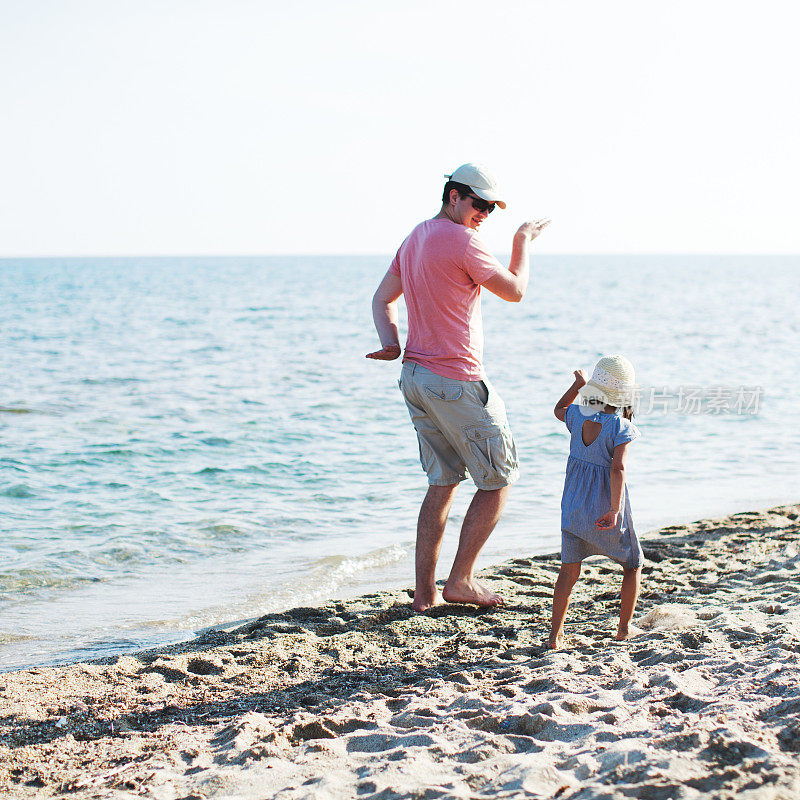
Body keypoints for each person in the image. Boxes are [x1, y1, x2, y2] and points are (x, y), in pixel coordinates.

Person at [366, 163, 550, 611]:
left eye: (491, 207)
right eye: (479, 204)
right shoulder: (463, 241)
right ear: (454, 196)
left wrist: (391, 342)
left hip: (415, 378)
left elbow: (382, 298)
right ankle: (461, 581)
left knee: (443, 481)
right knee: (499, 478)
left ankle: (425, 593)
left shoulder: (415, 237)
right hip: (455, 379)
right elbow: (515, 290)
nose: (484, 213)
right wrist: (522, 242)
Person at [549, 355, 643, 648]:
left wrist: (576, 385)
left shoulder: (577, 415)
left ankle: (554, 636)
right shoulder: (620, 427)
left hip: (573, 505)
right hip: (604, 509)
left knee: (569, 571)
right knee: (633, 564)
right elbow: (618, 469)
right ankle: (624, 629)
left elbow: (558, 409)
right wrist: (615, 510)